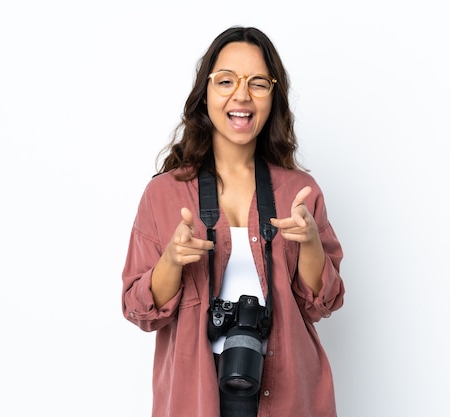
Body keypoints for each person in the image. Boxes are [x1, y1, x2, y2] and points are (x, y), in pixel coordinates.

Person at [121, 26, 345, 417]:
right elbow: (139, 310)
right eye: (226, 81)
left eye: (258, 83)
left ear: (273, 97)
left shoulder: (300, 192)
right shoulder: (164, 195)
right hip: (195, 396)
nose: (241, 95)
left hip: (289, 396)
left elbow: (321, 304)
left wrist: (309, 241)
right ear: (205, 92)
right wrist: (172, 261)